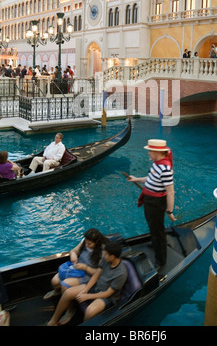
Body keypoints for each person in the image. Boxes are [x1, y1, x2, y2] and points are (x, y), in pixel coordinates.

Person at [47, 240, 127, 326]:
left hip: (107, 296)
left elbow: (108, 293)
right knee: (68, 292)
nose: (103, 255)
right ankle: (53, 322)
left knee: (90, 311)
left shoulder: (121, 273)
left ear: (112, 257)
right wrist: (86, 290)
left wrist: (87, 296)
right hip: (96, 286)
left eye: (106, 254)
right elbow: (96, 275)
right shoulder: (106, 259)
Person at [127, 139, 176, 270]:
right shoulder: (156, 164)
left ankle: (161, 261)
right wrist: (136, 179)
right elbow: (150, 179)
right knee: (153, 227)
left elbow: (170, 192)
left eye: (150, 151)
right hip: (149, 201)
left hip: (156, 203)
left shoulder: (165, 169)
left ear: (156, 152)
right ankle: (156, 243)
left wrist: (170, 212)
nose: (148, 153)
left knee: (157, 231)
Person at [44, 228, 106, 299]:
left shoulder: (103, 252)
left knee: (65, 285)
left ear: (97, 243)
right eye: (85, 242)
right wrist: (73, 254)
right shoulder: (84, 242)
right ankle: (57, 292)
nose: (86, 245)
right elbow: (73, 250)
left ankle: (71, 306)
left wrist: (86, 268)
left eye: (89, 244)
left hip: (88, 275)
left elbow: (99, 273)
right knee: (54, 281)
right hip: (78, 268)